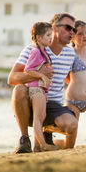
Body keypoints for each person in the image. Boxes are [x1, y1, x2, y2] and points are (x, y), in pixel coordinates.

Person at [8, 13, 78, 153]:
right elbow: (12, 78)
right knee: (19, 89)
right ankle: (24, 139)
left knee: (71, 125)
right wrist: (40, 76)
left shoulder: (71, 54)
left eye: (74, 30)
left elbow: (70, 79)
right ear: (54, 28)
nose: (72, 32)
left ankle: (46, 132)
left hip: (53, 104)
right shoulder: (32, 49)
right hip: (31, 100)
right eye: (68, 27)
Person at [24, 22, 59, 151]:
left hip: (42, 90)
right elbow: (27, 69)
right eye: (48, 35)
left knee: (42, 117)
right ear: (38, 37)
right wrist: (42, 76)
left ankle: (37, 146)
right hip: (35, 88)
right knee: (38, 118)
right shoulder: (35, 51)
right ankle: (43, 144)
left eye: (52, 35)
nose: (51, 38)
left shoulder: (44, 51)